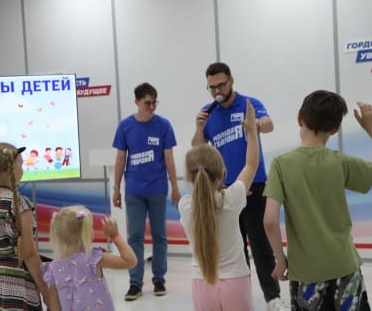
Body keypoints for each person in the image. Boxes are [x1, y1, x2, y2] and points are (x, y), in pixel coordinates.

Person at [263, 90, 372, 310]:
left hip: (305, 272)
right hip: (345, 266)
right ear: (336, 128)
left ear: (300, 117)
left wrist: (280, 260)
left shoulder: (281, 164)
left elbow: (269, 221)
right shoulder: (341, 162)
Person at [191, 62, 282, 310]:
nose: (217, 91)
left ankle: (272, 298)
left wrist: (256, 125)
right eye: (211, 87)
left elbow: (270, 124)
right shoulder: (207, 112)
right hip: (224, 191)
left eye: (221, 85)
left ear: (232, 81)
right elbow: (197, 149)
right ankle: (240, 297)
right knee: (234, 249)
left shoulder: (249, 103)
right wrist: (199, 127)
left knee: (261, 247)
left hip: (255, 185)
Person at [180, 100, 259, 311]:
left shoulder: (185, 205)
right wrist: (251, 131)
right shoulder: (232, 198)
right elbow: (251, 164)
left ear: (188, 176)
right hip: (236, 283)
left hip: (202, 284)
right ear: (223, 171)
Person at [112, 82, 181, 301]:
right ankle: (135, 283)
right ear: (137, 102)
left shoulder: (164, 125)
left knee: (160, 235)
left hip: (158, 188)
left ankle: (159, 279)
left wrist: (176, 187)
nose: (151, 107)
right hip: (133, 190)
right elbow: (120, 158)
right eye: (147, 103)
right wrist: (116, 188)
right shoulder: (125, 126)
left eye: (154, 103)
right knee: (135, 237)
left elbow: (169, 157)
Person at [0, 143, 50, 310]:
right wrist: (48, 295)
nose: (23, 170)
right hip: (19, 288)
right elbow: (29, 254)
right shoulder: (18, 203)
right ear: (10, 169)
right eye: (21, 164)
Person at [42, 205, 137, 311]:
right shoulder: (93, 259)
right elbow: (130, 261)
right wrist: (115, 235)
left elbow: (54, 307)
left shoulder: (53, 268)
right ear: (86, 233)